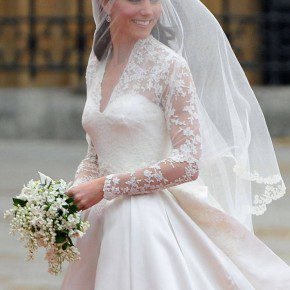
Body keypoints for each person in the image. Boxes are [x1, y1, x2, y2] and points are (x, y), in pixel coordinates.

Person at [61, 0, 290, 289]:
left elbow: (187, 163)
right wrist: (74, 192)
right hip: (100, 220)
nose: (148, 10)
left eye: (155, 0)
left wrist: (104, 187)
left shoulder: (170, 66)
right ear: (106, 4)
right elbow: (95, 152)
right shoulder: (97, 63)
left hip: (147, 219)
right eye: (135, 0)